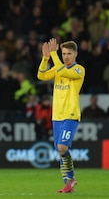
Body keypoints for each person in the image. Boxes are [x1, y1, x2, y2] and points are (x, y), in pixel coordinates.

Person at [37, 38, 85, 193]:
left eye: (69, 54)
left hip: (70, 114)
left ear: (76, 54)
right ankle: (68, 182)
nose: (65, 57)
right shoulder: (59, 68)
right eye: (63, 53)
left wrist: (54, 54)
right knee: (60, 150)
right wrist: (45, 58)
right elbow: (41, 75)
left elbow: (63, 71)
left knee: (62, 147)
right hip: (57, 116)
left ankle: (70, 179)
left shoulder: (79, 70)